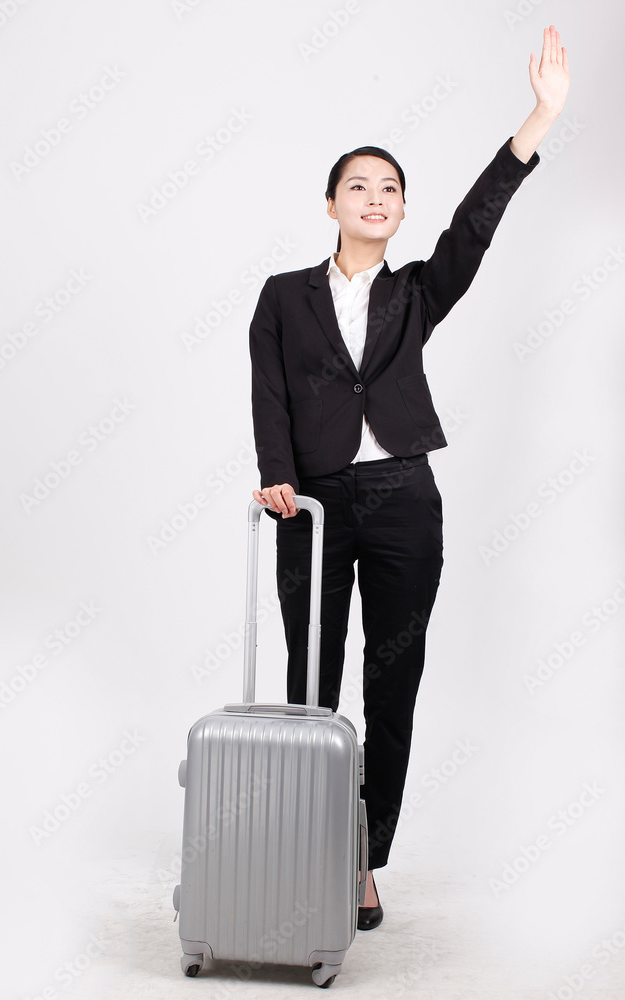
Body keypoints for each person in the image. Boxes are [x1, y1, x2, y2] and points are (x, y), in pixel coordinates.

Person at [250, 25, 569, 931]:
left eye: (390, 187)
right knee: (311, 683)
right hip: (309, 502)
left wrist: (535, 121)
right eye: (359, 185)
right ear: (329, 205)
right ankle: (300, 848)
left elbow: (473, 224)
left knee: (392, 686)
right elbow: (266, 391)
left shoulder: (416, 294)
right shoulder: (283, 295)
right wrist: (277, 475)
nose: (376, 197)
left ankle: (360, 857)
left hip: (401, 503)